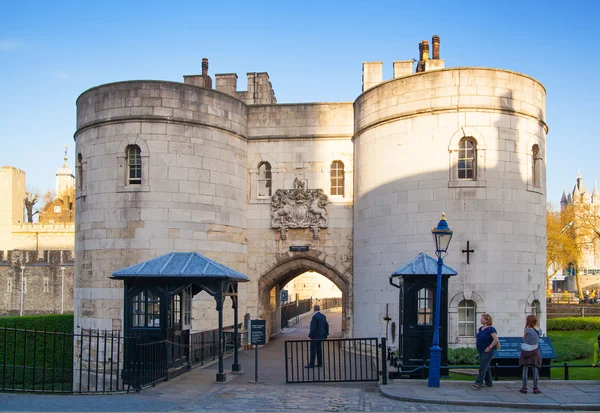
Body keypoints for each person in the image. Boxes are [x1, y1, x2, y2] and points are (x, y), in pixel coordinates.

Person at [473, 313, 499, 389]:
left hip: (488, 350)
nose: (481, 319)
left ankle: (478, 383)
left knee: (483, 367)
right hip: (481, 350)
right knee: (486, 366)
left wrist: (490, 347)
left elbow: (495, 339)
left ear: (487, 320)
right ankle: (489, 383)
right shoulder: (480, 329)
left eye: (483, 318)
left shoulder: (491, 329)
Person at [519, 315, 542, 394]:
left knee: (525, 368)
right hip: (535, 350)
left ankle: (524, 387)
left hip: (526, 350)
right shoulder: (539, 330)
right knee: (535, 367)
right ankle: (535, 388)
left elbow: (524, 339)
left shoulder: (527, 330)